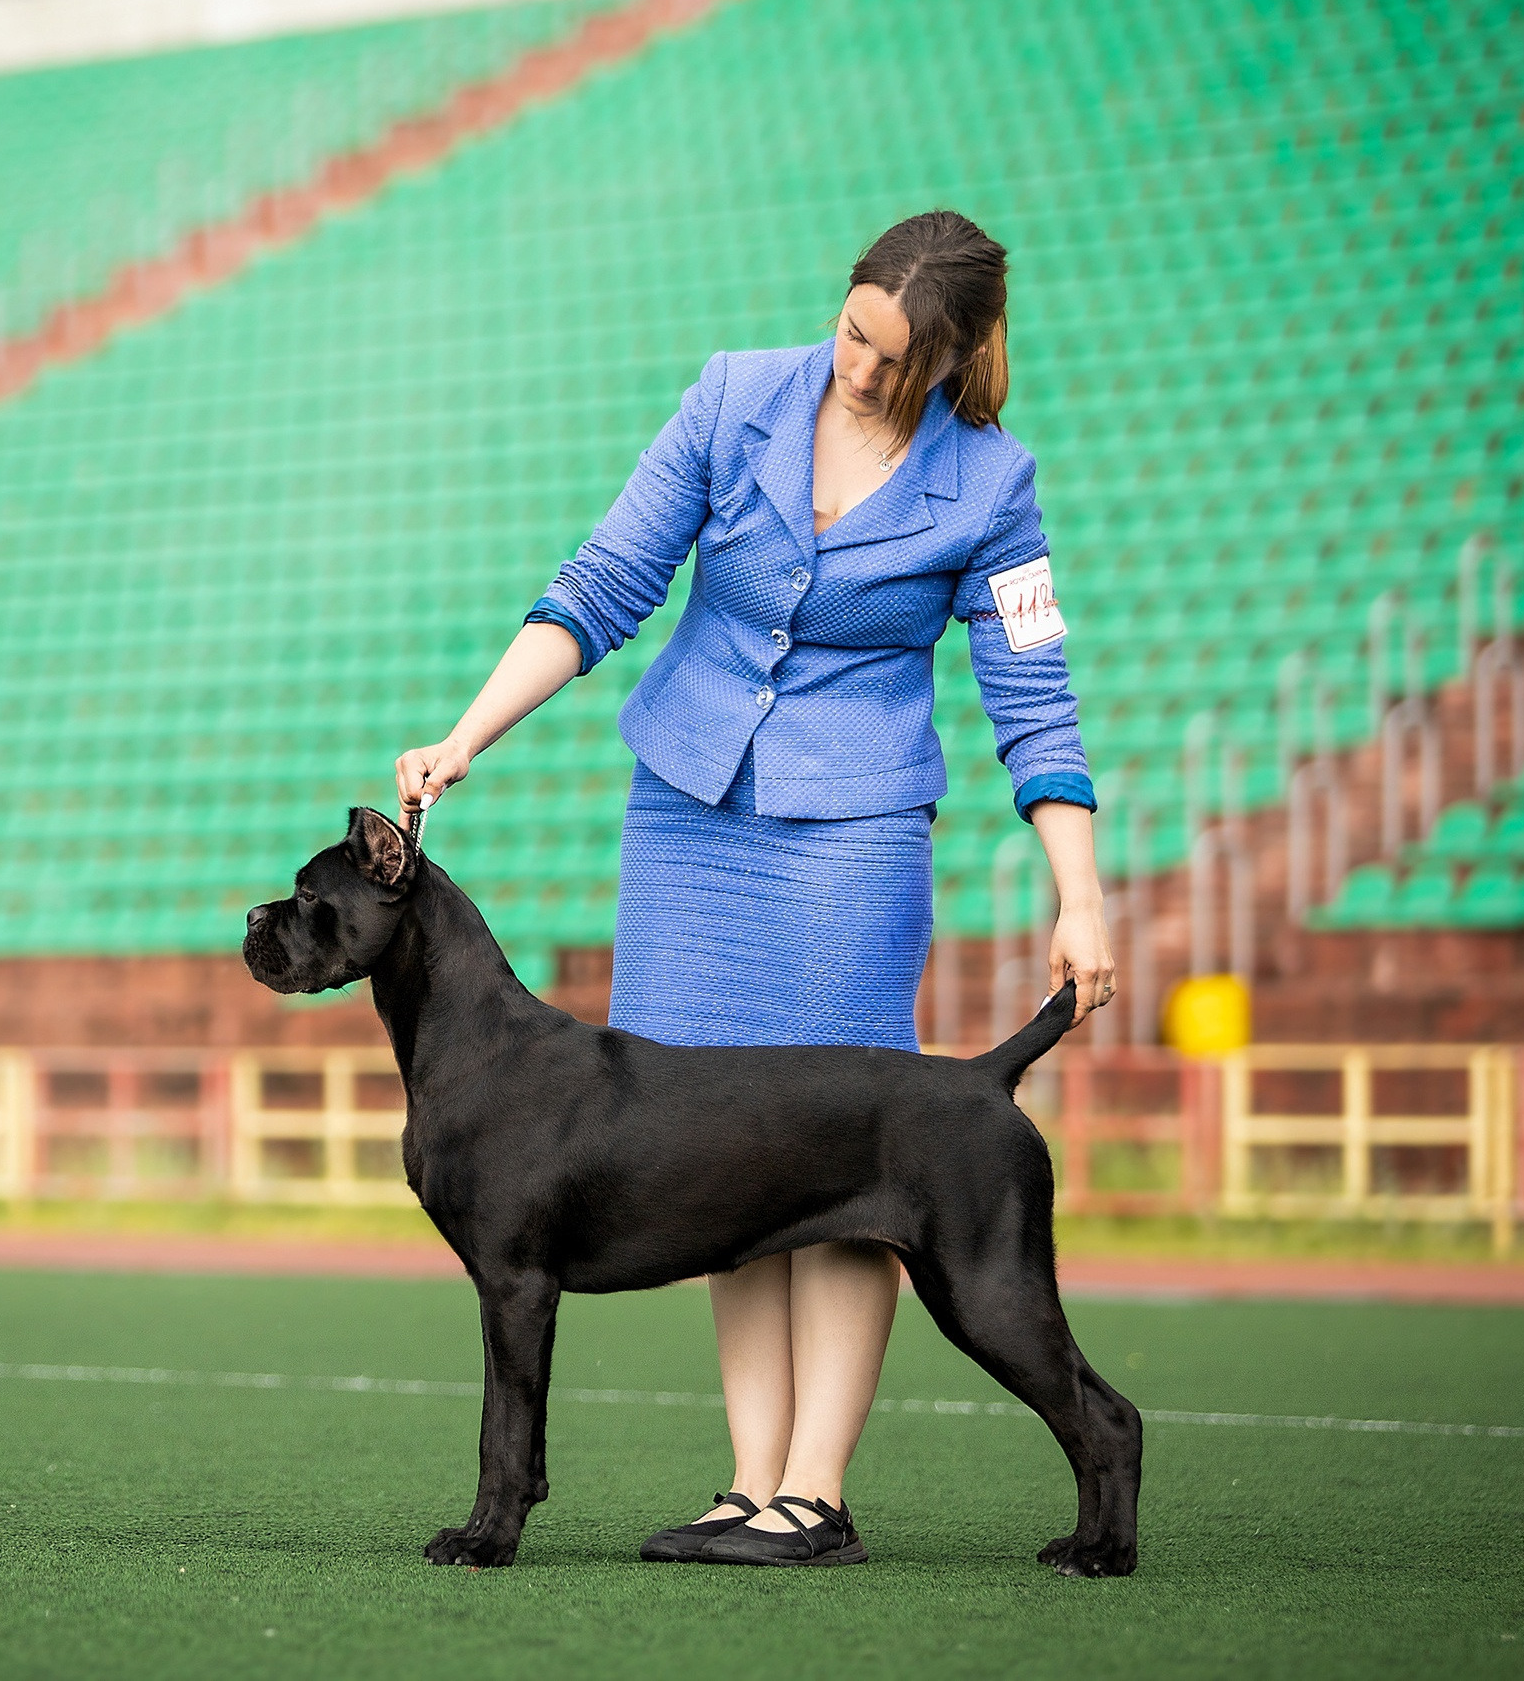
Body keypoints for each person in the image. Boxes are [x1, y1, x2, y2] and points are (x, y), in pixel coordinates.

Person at [393, 210, 1114, 1568]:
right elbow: (606, 582)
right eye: (850, 329)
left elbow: (1036, 695)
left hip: (853, 840)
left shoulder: (993, 483)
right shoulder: (734, 396)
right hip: (687, 821)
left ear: (950, 356)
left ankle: (816, 1490)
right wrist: (467, 732)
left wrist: (1078, 891)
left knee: (844, 1158)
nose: (854, 363)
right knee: (712, 1148)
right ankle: (748, 1477)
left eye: (891, 356)